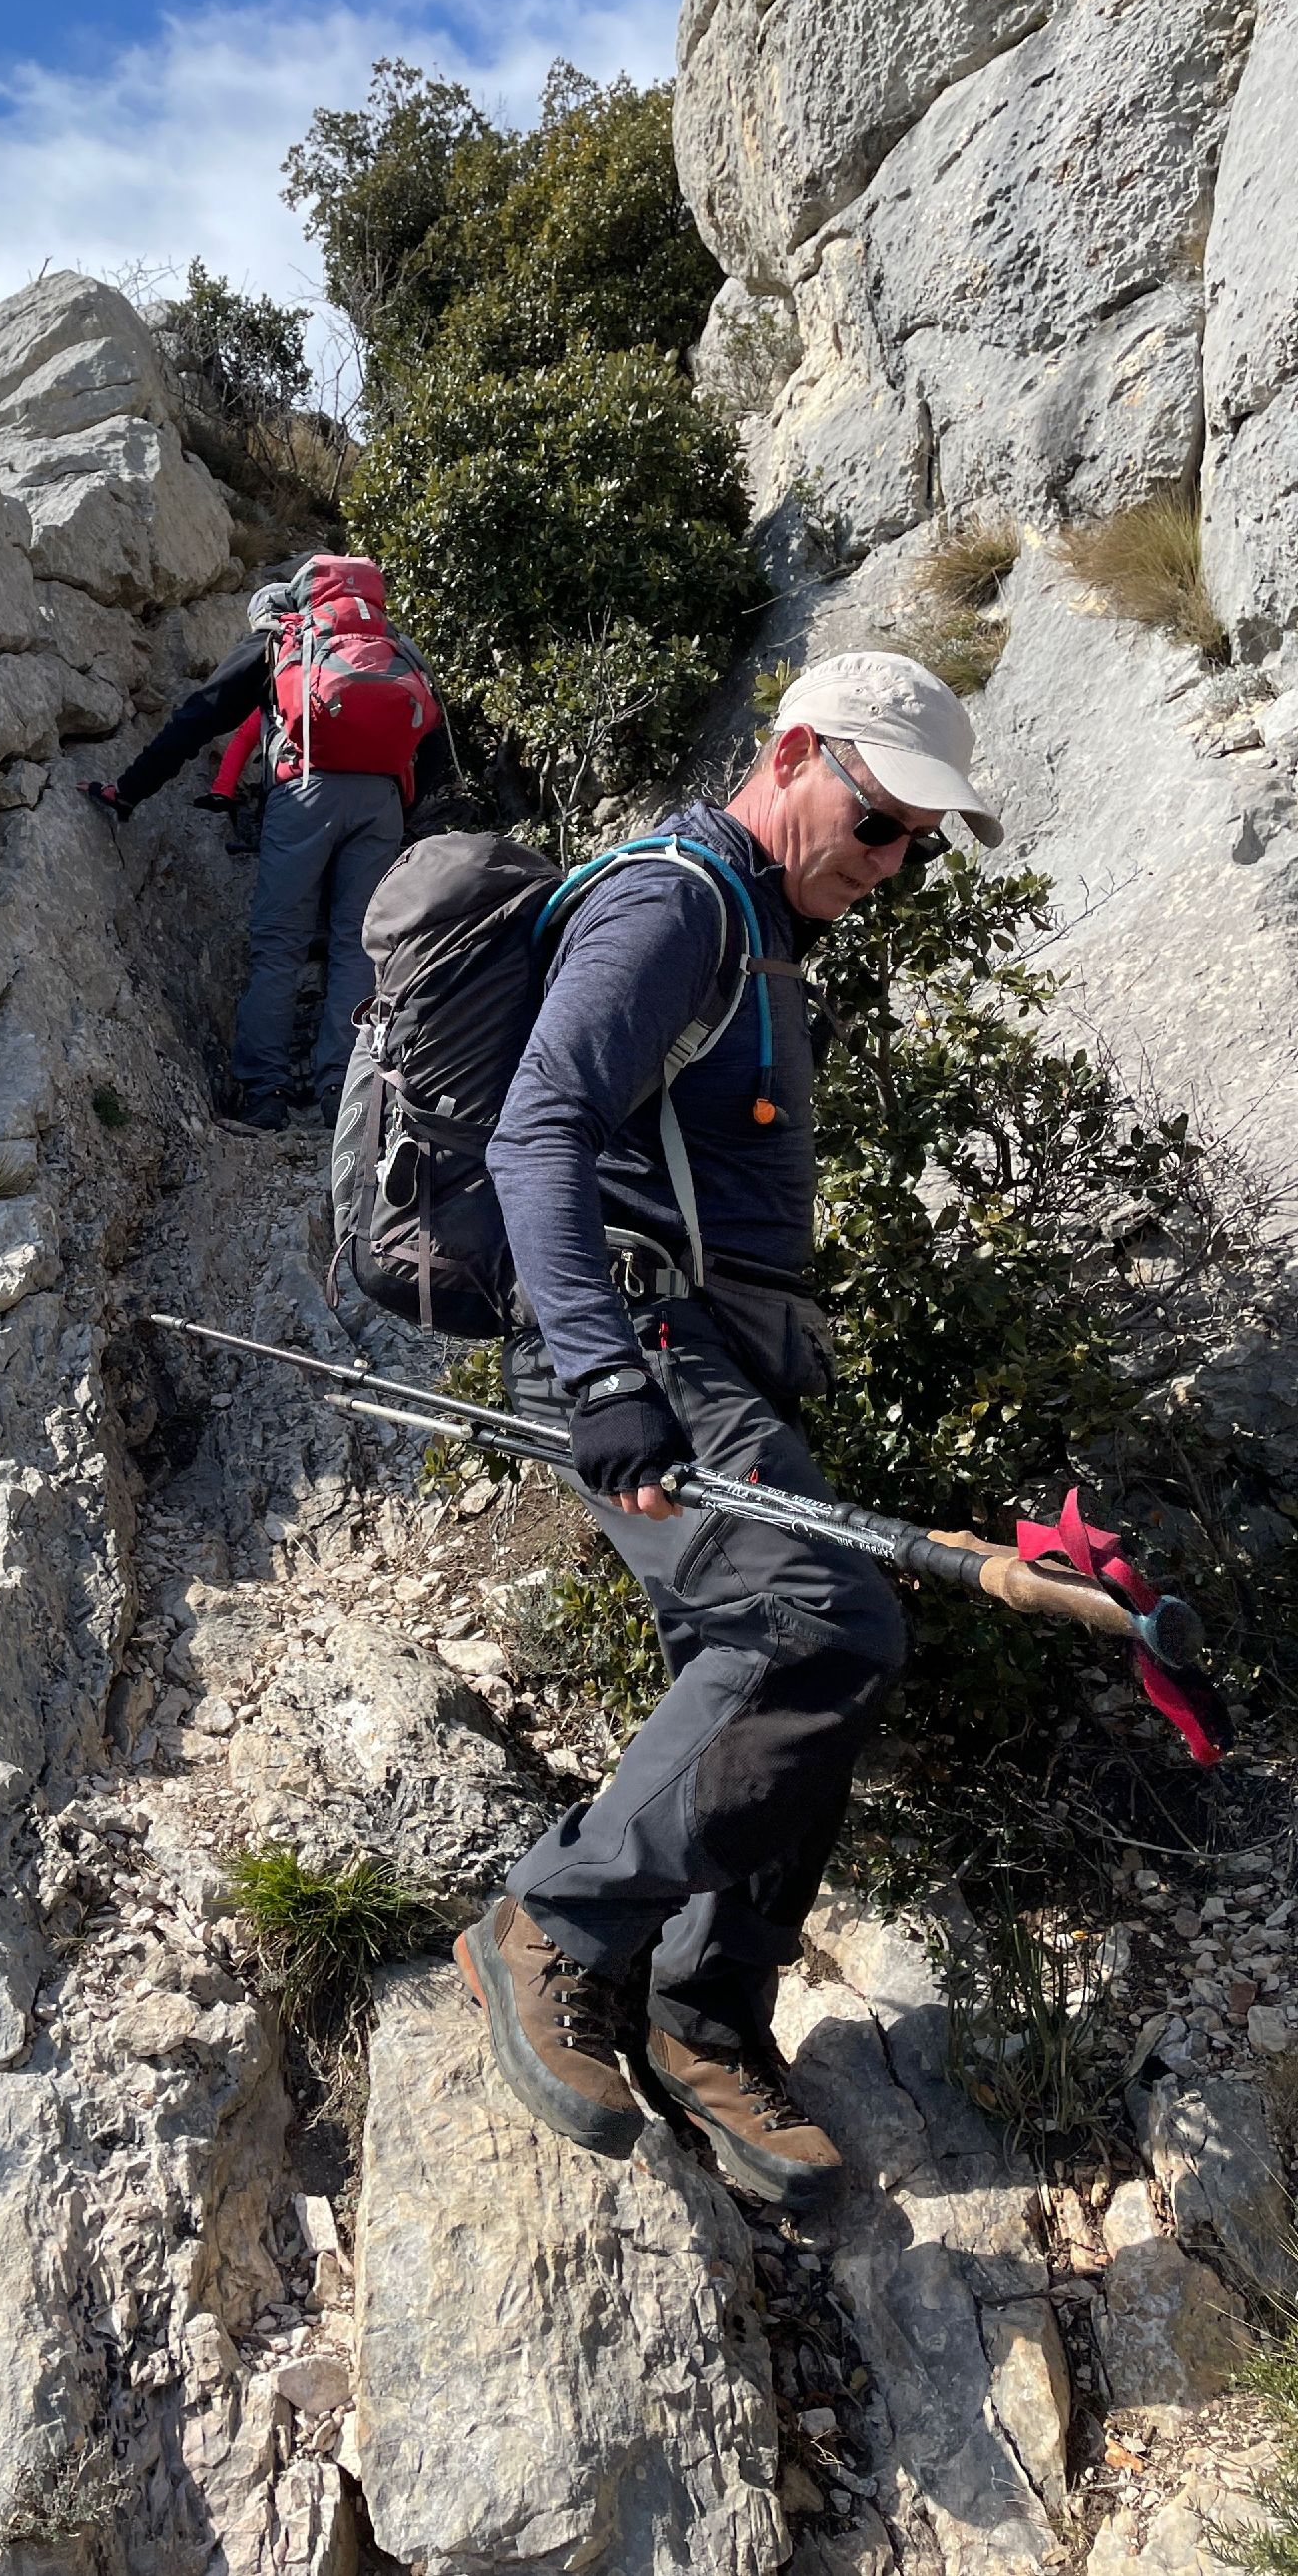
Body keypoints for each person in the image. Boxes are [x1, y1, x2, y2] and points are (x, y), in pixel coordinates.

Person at [456, 651, 1004, 2205]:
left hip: (707, 1355)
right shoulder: (675, 900)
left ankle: (705, 2012)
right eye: (878, 820)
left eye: (915, 845)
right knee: (812, 1618)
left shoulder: (755, 922)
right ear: (793, 751)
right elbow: (537, 1130)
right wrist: (600, 1376)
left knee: (823, 1644)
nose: (888, 862)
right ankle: (553, 1927)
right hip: (638, 1343)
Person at [83, 562, 452, 1130]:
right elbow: (436, 748)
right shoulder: (395, 647)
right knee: (358, 949)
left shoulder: (284, 640)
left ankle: (265, 1092)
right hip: (381, 803)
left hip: (304, 793)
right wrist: (399, 805)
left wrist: (130, 788)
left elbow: (199, 714)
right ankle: (344, 1091)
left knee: (279, 945)